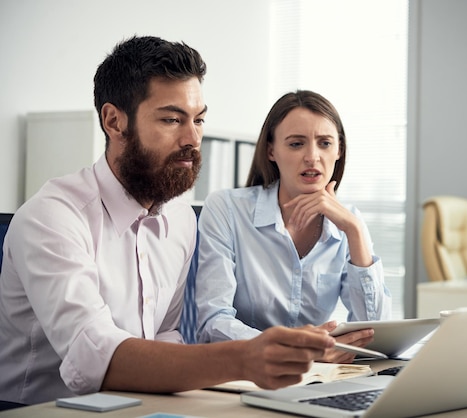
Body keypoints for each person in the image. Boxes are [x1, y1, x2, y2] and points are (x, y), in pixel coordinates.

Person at [0, 37, 335, 407]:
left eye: (199, 119)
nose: (192, 139)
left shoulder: (179, 218)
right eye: (172, 119)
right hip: (41, 411)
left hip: (139, 405)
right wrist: (243, 358)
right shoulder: (52, 217)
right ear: (114, 121)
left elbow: (163, 336)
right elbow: (94, 355)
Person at [195, 90, 392, 363]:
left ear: (339, 150)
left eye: (324, 143)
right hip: (243, 373)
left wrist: (355, 232)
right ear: (271, 151)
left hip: (320, 377)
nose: (312, 157)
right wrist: (298, 349)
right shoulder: (227, 209)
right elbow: (212, 323)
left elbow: (375, 334)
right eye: (296, 144)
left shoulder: (350, 222)